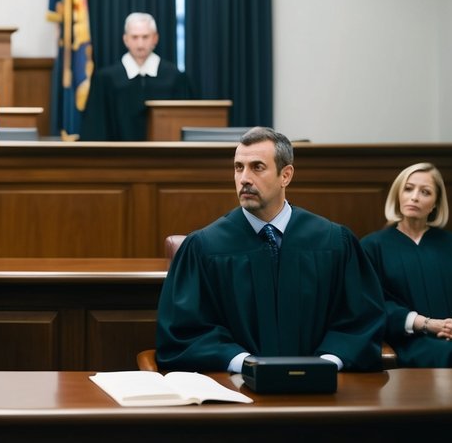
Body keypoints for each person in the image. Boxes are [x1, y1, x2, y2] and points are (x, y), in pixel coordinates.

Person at [156, 126, 385, 373]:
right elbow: (185, 331)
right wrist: (244, 364)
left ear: (285, 175)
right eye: (238, 167)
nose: (244, 178)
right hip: (236, 389)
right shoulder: (204, 247)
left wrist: (326, 364)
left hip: (321, 392)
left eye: (257, 167)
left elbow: (360, 320)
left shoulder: (333, 241)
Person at [360, 163, 452, 367]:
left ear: (435, 203)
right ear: (397, 194)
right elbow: (369, 305)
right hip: (409, 342)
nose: (415, 197)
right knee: (448, 353)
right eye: (408, 189)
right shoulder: (371, 247)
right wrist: (426, 324)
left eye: (425, 192)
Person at [81, 12, 193, 141]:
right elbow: (95, 129)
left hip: (165, 158)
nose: (140, 44)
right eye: (135, 37)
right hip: (118, 158)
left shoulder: (175, 78)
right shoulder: (106, 80)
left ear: (155, 38)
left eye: (145, 37)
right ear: (125, 39)